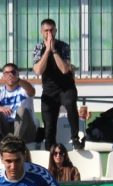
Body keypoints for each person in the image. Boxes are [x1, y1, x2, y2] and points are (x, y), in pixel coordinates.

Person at [32, 18, 82, 150]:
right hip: (49, 89)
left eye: (51, 30)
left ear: (56, 31)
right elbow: (38, 70)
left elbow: (64, 69)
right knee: (49, 124)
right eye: (46, 31)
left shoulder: (63, 46)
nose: (49, 33)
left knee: (70, 104)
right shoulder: (38, 48)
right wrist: (47, 50)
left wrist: (53, 50)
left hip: (66, 87)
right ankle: (50, 147)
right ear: (41, 32)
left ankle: (75, 138)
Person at [0, 64, 37, 146]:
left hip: (26, 130)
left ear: (17, 74)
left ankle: (15, 142)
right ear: (3, 77)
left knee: (21, 110)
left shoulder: (23, 89)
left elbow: (31, 91)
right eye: (6, 73)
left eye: (13, 72)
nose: (10, 75)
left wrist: (18, 80)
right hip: (7, 128)